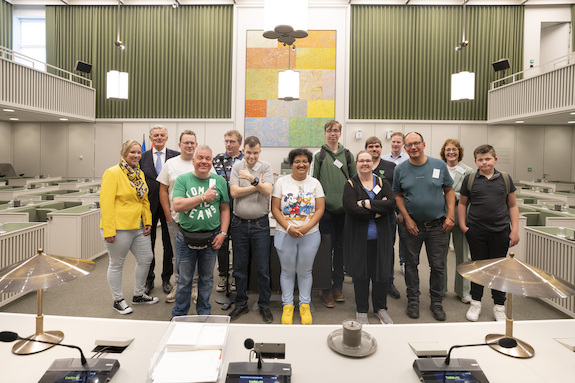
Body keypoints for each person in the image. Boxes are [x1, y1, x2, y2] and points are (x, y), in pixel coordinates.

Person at [392, 132, 456, 321]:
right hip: (412, 226)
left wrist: (450, 215)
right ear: (405, 148)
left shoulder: (438, 165)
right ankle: (413, 300)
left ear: (424, 144)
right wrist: (407, 218)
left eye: (416, 143)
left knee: (438, 266)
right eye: (409, 145)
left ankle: (436, 301)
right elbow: (398, 195)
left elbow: (449, 190)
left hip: (438, 226)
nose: (413, 147)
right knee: (411, 264)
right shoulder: (401, 169)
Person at [458, 144, 520, 322]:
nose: (484, 162)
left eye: (487, 159)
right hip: (476, 231)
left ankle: (499, 306)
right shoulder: (470, 179)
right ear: (476, 161)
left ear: (495, 160)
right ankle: (475, 303)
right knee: (478, 268)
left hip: (501, 232)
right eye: (480, 159)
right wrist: (463, 226)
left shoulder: (505, 179)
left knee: (499, 270)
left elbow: (513, 205)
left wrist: (514, 230)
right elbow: (462, 204)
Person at [100, 139, 159, 315]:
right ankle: (118, 300)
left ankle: (139, 294)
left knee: (146, 258)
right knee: (117, 263)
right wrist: (109, 230)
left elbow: (144, 200)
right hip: (119, 228)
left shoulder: (139, 173)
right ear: (124, 153)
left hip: (139, 226)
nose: (136, 156)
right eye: (132, 152)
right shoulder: (112, 173)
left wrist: (148, 221)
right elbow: (106, 204)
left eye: (138, 153)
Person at [171, 145, 230, 317]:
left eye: (208, 159)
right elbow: (178, 205)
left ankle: (204, 314)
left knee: (207, 280)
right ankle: (179, 315)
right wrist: (203, 197)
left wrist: (223, 233)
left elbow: (225, 209)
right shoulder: (183, 180)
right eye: (200, 158)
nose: (204, 162)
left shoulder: (219, 181)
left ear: (211, 162)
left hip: (212, 238)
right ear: (194, 160)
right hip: (186, 238)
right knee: (184, 281)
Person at [272, 148, 325, 325]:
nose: (301, 164)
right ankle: (288, 305)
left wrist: (306, 227)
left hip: (309, 234)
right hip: (284, 233)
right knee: (287, 271)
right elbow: (275, 208)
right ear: (291, 164)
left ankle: (304, 305)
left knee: (305, 271)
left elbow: (320, 209)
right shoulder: (281, 182)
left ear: (309, 164)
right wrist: (288, 227)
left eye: (305, 161)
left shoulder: (315, 183)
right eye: (297, 161)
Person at [343, 150, 396, 325]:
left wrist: (366, 204)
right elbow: (351, 208)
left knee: (381, 274)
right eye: (361, 161)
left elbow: (390, 205)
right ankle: (362, 310)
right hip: (359, 239)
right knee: (361, 275)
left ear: (373, 162)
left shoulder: (382, 181)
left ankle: (381, 308)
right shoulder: (351, 184)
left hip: (381, 239)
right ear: (356, 163)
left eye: (368, 160)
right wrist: (375, 212)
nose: (365, 163)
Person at [228, 136, 274, 323]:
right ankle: (241, 304)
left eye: (255, 153)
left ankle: (264, 305)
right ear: (243, 150)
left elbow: (268, 191)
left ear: (259, 151)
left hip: (260, 224)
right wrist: (258, 185)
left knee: (262, 268)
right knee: (239, 268)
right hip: (238, 224)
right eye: (248, 152)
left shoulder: (266, 167)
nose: (251, 156)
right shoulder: (237, 166)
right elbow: (234, 192)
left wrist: (250, 179)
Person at [312, 120, 356, 308]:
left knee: (340, 251)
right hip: (325, 212)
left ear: (340, 133)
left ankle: (338, 287)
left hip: (344, 212)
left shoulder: (348, 155)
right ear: (325, 133)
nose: (332, 134)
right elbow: (314, 183)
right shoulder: (319, 156)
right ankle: (326, 289)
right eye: (329, 131)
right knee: (324, 252)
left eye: (336, 130)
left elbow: (355, 182)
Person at [157, 130, 199, 304]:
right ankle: (179, 284)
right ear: (179, 145)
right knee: (177, 255)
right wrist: (168, 215)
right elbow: (163, 190)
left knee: (196, 254)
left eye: (192, 143)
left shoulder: (201, 163)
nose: (189, 145)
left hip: (197, 218)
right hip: (175, 218)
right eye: (186, 142)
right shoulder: (170, 164)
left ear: (196, 145)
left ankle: (194, 287)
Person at [140, 125, 180, 295]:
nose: (159, 138)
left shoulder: (175, 156)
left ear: (166, 138)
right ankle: (149, 280)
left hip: (168, 207)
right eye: (155, 135)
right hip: (148, 208)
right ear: (151, 138)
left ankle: (166, 279)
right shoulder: (141, 157)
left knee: (168, 245)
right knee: (147, 245)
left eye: (162, 135)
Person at [365, 136, 400, 300]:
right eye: (371, 146)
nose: (374, 149)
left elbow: (396, 192)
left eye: (377, 146)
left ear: (381, 148)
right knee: (367, 249)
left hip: (387, 217)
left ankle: (388, 281)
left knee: (388, 249)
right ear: (366, 149)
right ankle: (368, 281)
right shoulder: (363, 167)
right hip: (366, 217)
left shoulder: (391, 167)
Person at [440, 139, 473, 304]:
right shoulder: (438, 169)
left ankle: (463, 291)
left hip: (460, 218)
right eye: (448, 150)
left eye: (454, 149)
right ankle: (441, 288)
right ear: (443, 152)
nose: (451, 152)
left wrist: (450, 195)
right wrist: (455, 195)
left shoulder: (468, 171)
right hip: (441, 217)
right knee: (440, 255)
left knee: (462, 255)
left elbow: (471, 195)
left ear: (459, 152)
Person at [212, 130, 244, 293]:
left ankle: (236, 277)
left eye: (232, 141)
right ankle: (223, 276)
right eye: (226, 141)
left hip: (240, 208)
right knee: (222, 243)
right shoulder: (217, 159)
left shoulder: (246, 160)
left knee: (238, 244)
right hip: (222, 208)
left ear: (239, 143)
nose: (228, 144)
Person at [382, 132, 408, 275]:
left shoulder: (408, 159)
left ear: (402, 144)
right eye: (393, 142)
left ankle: (403, 261)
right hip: (390, 202)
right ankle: (388, 265)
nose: (395, 144)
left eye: (398, 142)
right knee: (390, 237)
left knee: (404, 236)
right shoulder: (384, 159)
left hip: (403, 201)